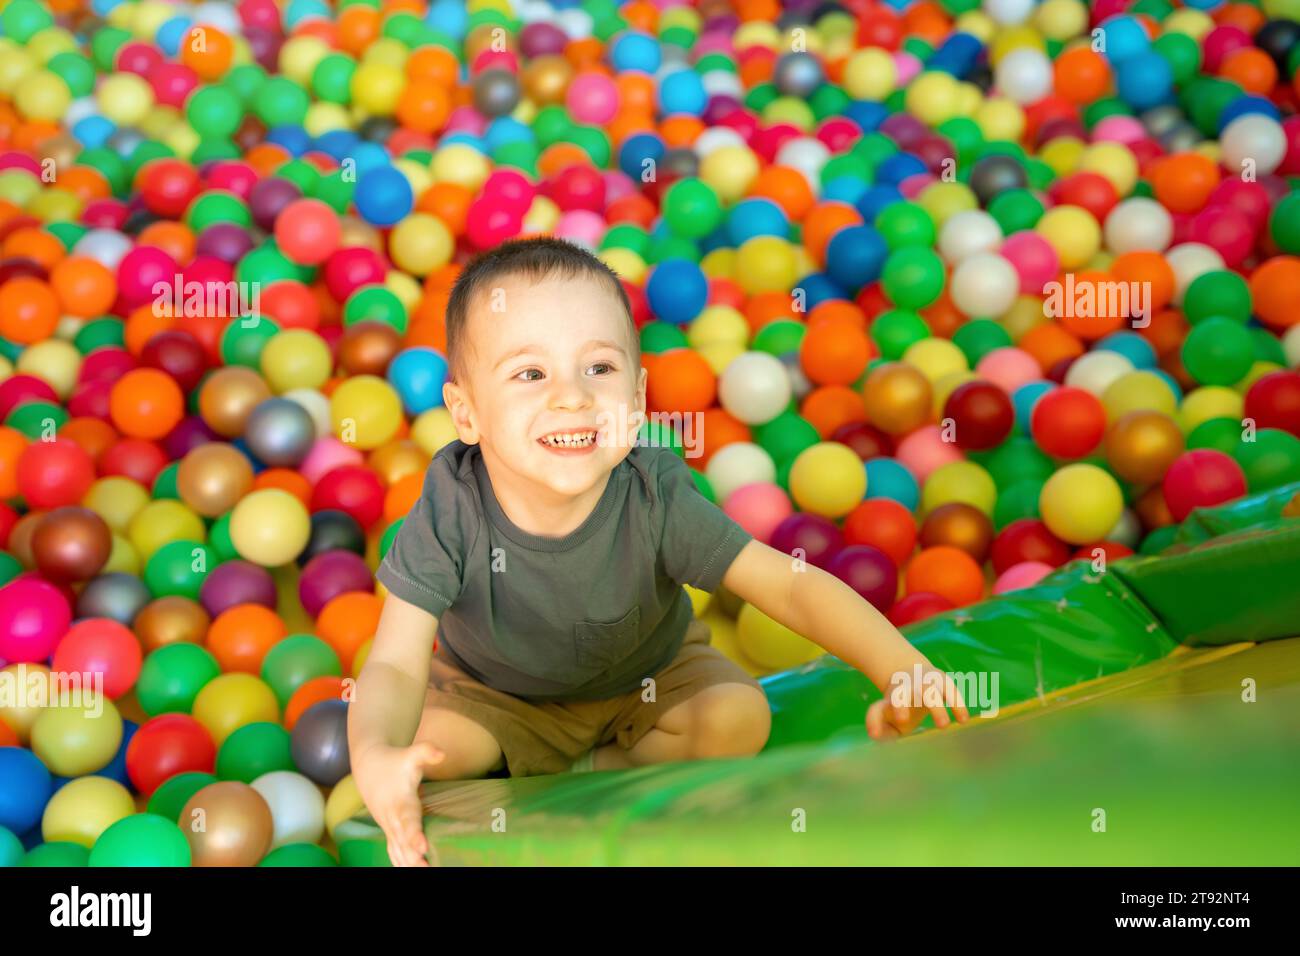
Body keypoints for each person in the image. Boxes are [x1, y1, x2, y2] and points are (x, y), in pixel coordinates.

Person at [349, 236, 968, 867]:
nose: (573, 397)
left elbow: (787, 584)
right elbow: (396, 663)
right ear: (466, 412)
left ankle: (591, 767)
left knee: (738, 717)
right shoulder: (452, 505)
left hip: (648, 684)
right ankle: (531, 764)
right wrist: (376, 755)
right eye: (530, 374)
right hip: (498, 697)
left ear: (638, 400)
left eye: (599, 368)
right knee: (422, 751)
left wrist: (898, 667)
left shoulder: (654, 495)